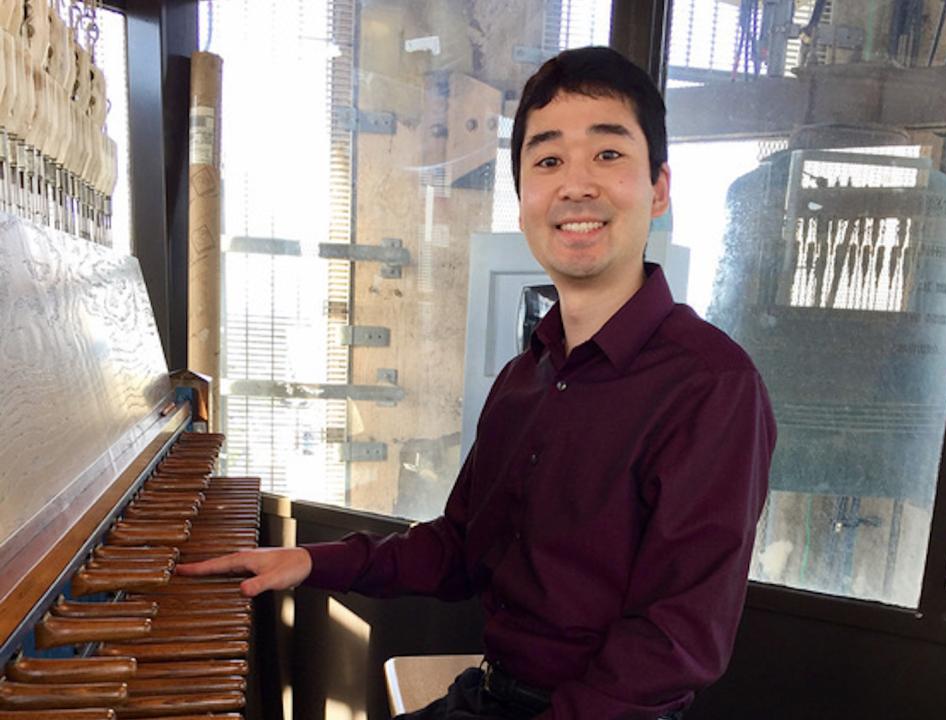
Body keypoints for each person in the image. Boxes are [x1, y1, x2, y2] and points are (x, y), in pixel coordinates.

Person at [178, 46, 776, 720]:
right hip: (490, 696)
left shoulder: (713, 386)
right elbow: (459, 548)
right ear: (523, 199)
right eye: (547, 161)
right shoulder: (529, 377)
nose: (575, 184)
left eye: (608, 154)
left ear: (660, 187)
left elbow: (673, 644)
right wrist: (309, 564)